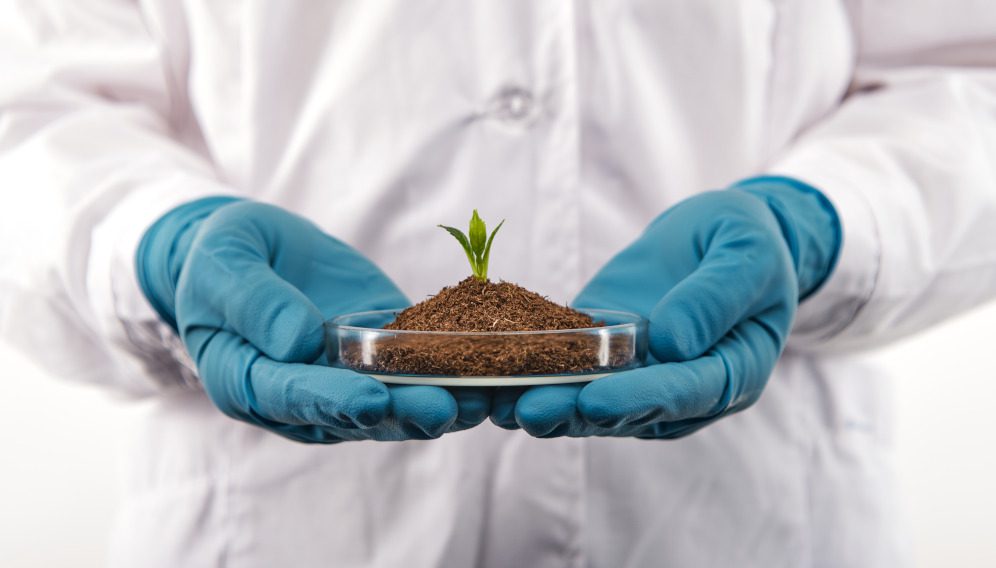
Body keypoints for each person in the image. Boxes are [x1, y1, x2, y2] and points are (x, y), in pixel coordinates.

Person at [2, 2, 995, 567]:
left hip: (744, 522)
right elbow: (31, 111)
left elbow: (968, 72)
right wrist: (156, 244)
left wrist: (819, 220)